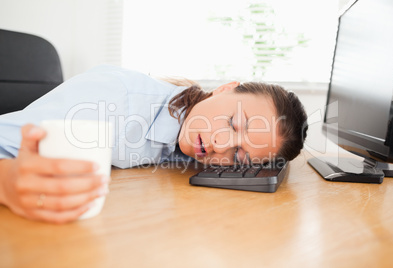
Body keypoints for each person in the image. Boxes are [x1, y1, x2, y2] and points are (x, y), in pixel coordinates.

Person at [0, 65, 308, 223]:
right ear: (226, 89)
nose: (219, 144)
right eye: (232, 122)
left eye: (238, 155)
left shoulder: (187, 131)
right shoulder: (114, 102)